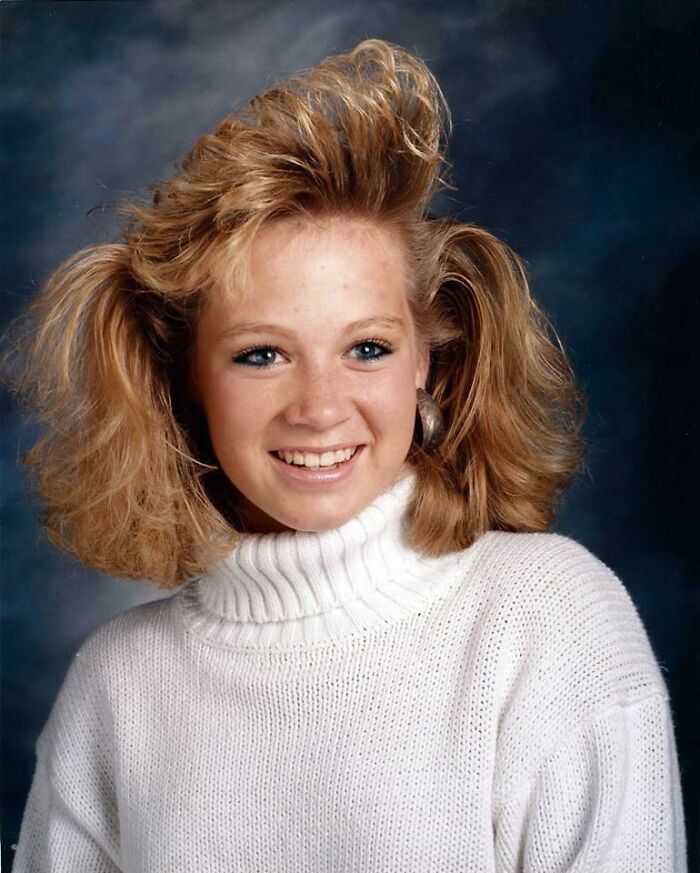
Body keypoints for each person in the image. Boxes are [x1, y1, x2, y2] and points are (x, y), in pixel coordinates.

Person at [5, 38, 686, 872]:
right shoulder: (115, 688)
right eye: (262, 354)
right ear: (184, 379)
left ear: (427, 361)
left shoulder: (546, 621)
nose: (321, 407)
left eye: (366, 348)